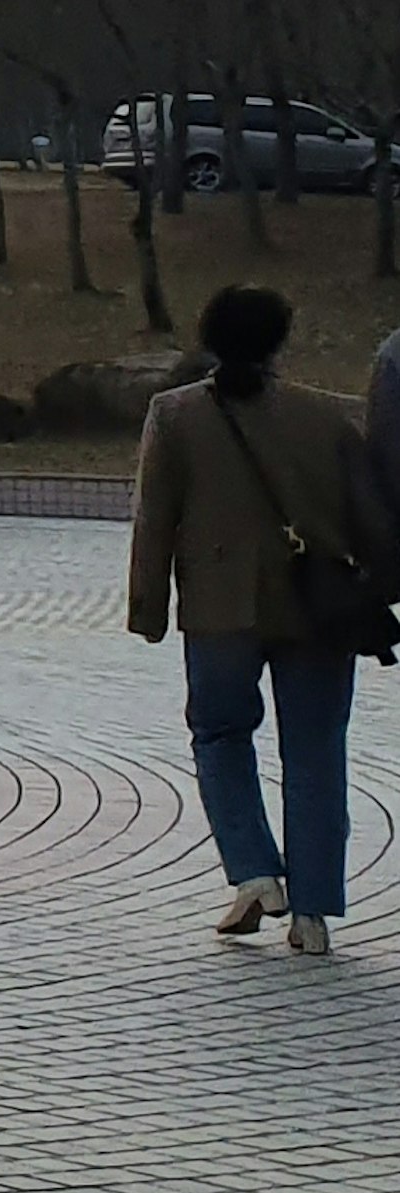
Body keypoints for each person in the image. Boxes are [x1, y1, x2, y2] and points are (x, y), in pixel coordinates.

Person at [130, 285, 381, 954]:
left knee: (218, 734)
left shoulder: (174, 415)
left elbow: (155, 519)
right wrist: (375, 594)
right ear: (280, 341)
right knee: (316, 750)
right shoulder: (328, 418)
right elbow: (370, 518)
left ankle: (254, 873)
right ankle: (313, 913)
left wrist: (148, 608)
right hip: (318, 608)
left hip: (220, 609)